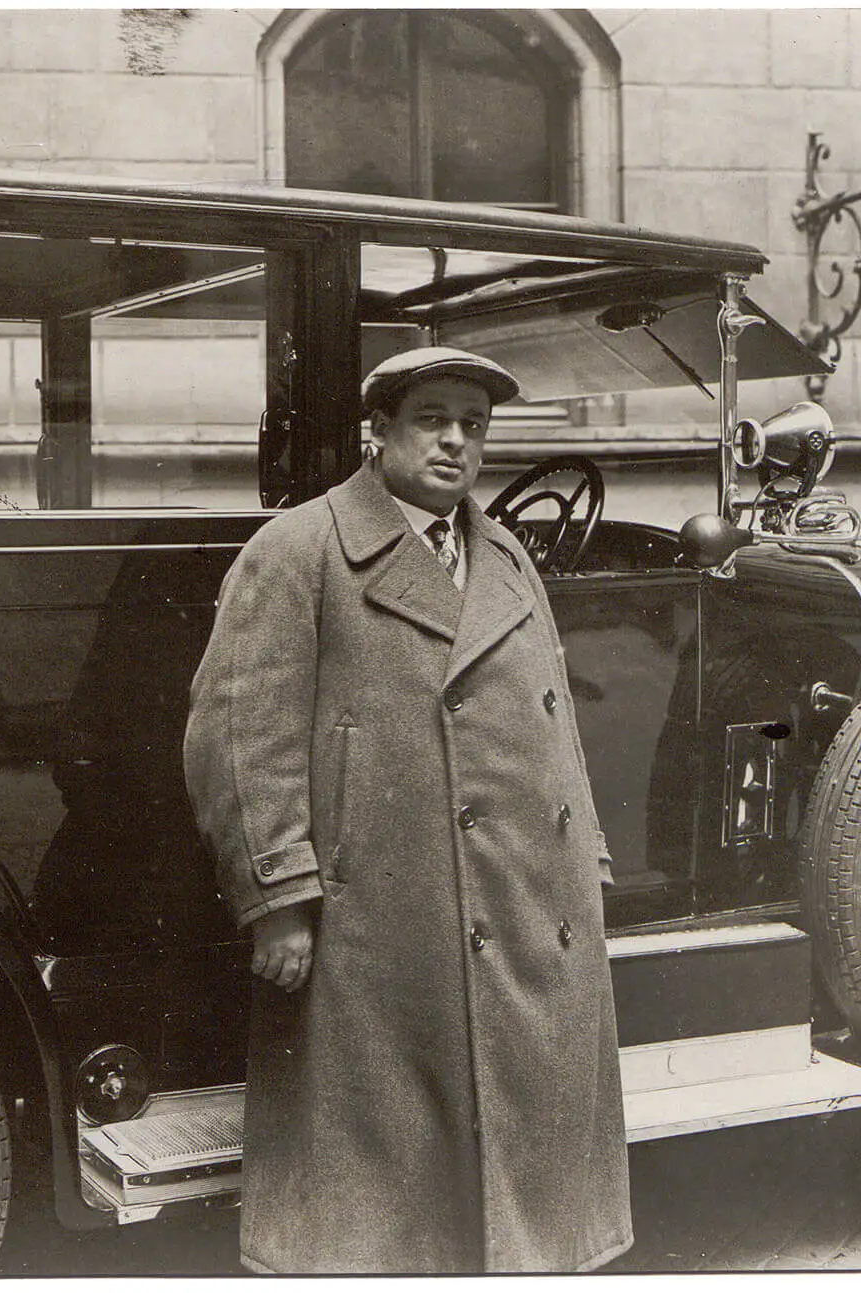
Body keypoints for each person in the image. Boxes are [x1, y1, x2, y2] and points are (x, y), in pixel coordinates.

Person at [183, 347, 632, 1273]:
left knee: (521, 1178)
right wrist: (279, 896)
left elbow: (556, 720)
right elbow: (238, 734)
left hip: (525, 900)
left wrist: (583, 859)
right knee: (383, 1194)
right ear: (379, 429)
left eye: (474, 424)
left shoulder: (504, 553)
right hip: (380, 919)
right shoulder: (301, 550)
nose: (455, 441)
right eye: (432, 418)